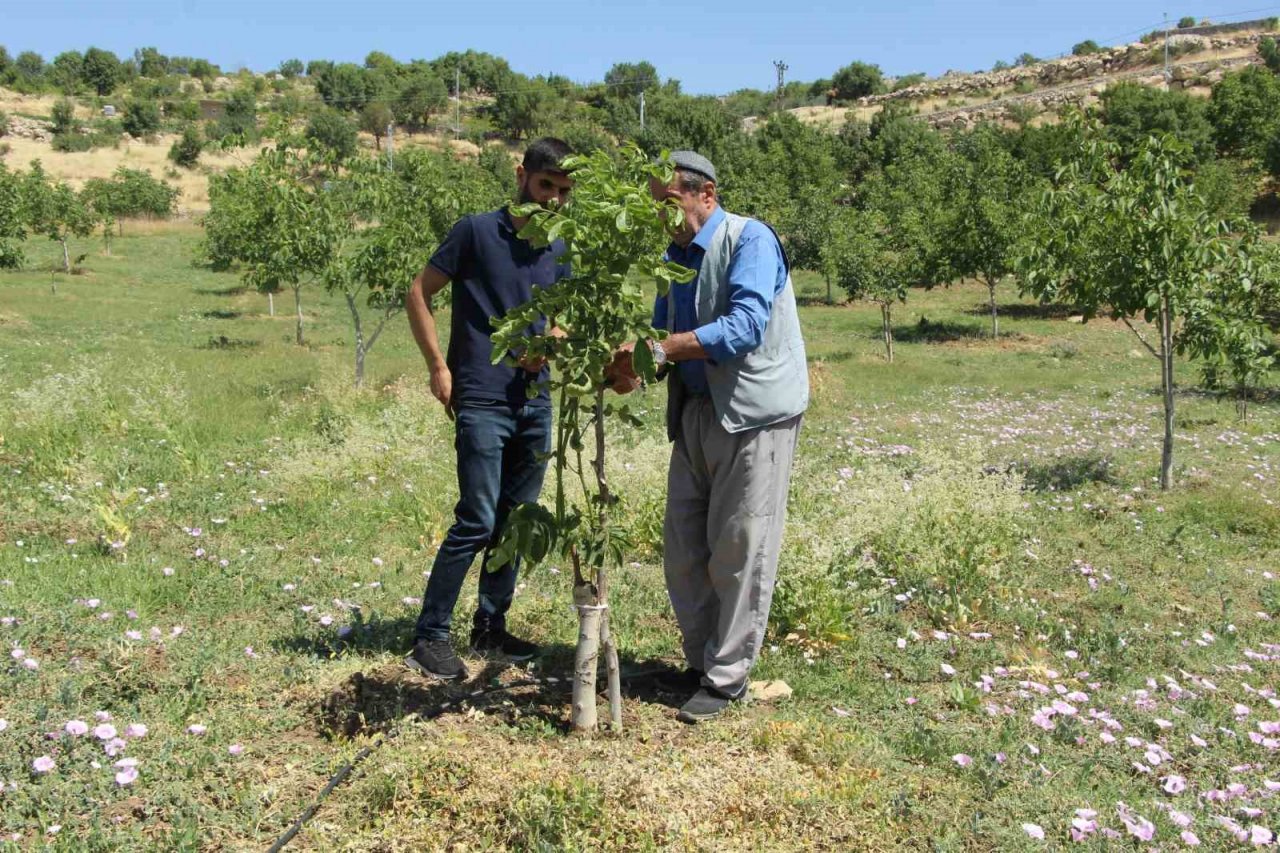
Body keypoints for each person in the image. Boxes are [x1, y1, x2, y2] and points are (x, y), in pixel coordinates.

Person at [609, 150, 808, 722]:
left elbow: (744, 326)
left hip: (753, 414)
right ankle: (698, 664)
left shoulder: (750, 241)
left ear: (706, 195)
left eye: (669, 204)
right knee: (684, 549)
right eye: (656, 209)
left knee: (740, 547)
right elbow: (658, 335)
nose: (663, 220)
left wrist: (662, 349)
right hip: (696, 411)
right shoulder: (674, 259)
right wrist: (625, 367)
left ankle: (725, 680)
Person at [403, 137, 574, 681]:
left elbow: (563, 318)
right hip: (480, 394)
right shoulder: (476, 231)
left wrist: (549, 343)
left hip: (535, 398)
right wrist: (438, 366)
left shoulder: (559, 245)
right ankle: (429, 636)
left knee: (516, 521)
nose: (552, 199)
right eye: (546, 185)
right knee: (476, 518)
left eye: (563, 191)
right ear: (522, 175)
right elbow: (418, 292)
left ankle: (489, 626)